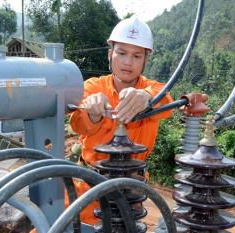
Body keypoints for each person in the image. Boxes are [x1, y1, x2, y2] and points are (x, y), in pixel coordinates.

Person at [68, 16, 174, 226]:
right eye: (122, 53)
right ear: (110, 54)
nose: (128, 62)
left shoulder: (153, 91)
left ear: (145, 60)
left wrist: (146, 98)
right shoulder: (93, 87)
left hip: (132, 189)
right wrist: (93, 112)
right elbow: (77, 124)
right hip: (89, 186)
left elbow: (167, 100)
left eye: (137, 56)